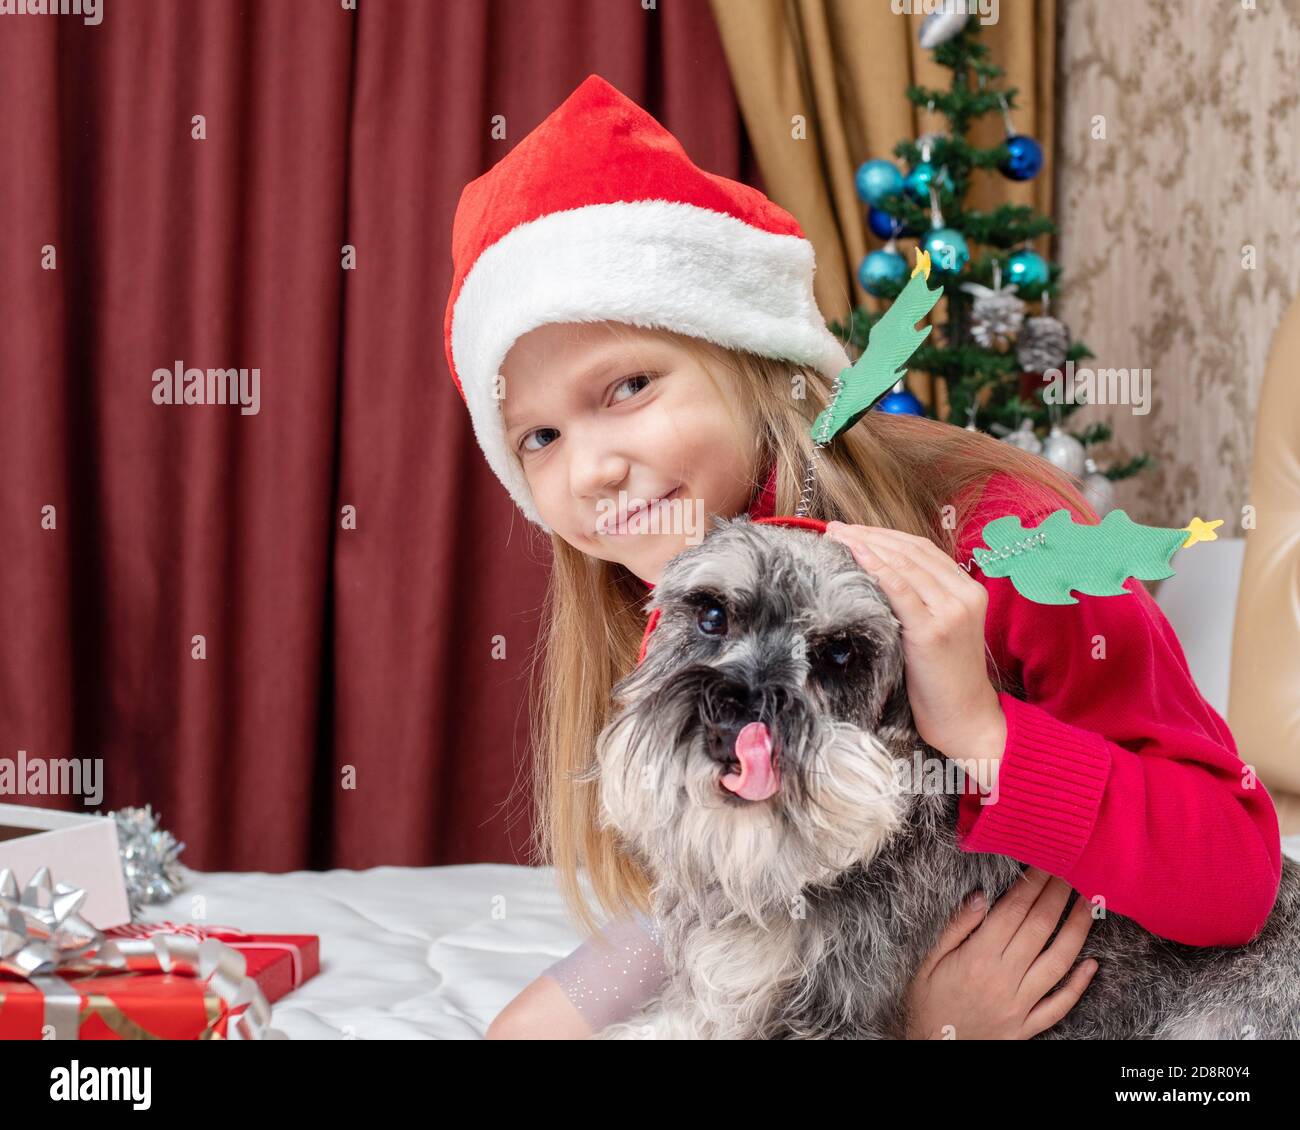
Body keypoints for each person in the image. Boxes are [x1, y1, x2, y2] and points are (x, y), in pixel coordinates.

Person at [441, 75, 1283, 1039]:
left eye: (627, 385)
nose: (590, 468)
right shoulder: (678, 579)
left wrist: (982, 733)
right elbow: (740, 887)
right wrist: (552, 1013)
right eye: (537, 438)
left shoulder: (1013, 544)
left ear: (752, 359)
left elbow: (1239, 877)